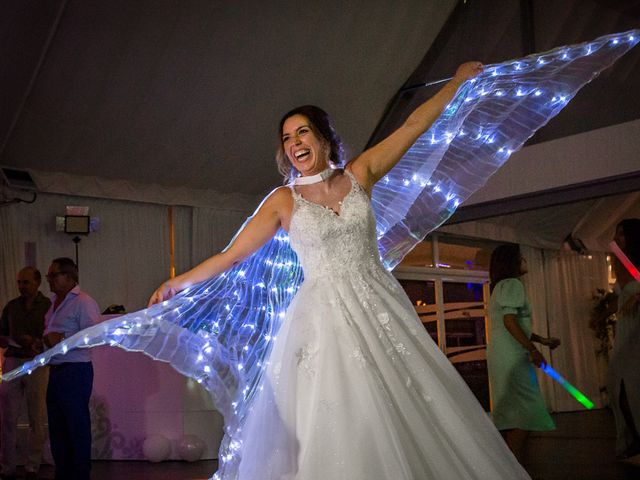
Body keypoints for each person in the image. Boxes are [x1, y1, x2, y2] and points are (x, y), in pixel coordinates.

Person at [149, 62, 532, 479]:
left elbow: (412, 127)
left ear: (324, 139)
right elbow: (230, 256)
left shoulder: (361, 173)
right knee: (341, 410)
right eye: (287, 138)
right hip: (323, 317)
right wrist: (176, 281)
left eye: (303, 133)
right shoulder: (282, 200)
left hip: (379, 303)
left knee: (407, 401)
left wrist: (456, 84)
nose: (294, 143)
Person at [486, 244, 561, 464]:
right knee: (525, 413)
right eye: (521, 258)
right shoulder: (512, 284)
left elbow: (512, 322)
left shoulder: (500, 286)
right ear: (512, 262)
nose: (524, 262)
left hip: (502, 352)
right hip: (512, 355)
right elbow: (509, 322)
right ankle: (515, 469)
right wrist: (532, 349)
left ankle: (511, 468)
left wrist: (541, 340)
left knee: (514, 412)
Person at [43, 258, 100, 480]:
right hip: (56, 370)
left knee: (76, 426)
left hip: (75, 370)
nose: (49, 280)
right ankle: (63, 473)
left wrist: (62, 338)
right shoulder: (53, 303)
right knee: (58, 428)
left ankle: (80, 474)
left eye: (53, 275)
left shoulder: (83, 302)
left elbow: (94, 337)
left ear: (69, 276)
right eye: (49, 276)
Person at [0, 267, 51, 480]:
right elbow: (1, 334)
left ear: (38, 283)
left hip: (37, 362)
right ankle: (7, 466)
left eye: (26, 282)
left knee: (36, 415)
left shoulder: (48, 306)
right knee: (8, 416)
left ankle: (32, 464)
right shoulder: (11, 306)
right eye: (20, 282)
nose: (22, 287)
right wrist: (13, 340)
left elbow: (54, 333)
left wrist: (36, 342)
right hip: (13, 360)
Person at [608, 218, 640, 462]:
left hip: (637, 329)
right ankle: (632, 439)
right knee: (619, 387)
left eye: (622, 233)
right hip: (626, 328)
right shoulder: (623, 263)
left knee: (632, 386)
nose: (617, 238)